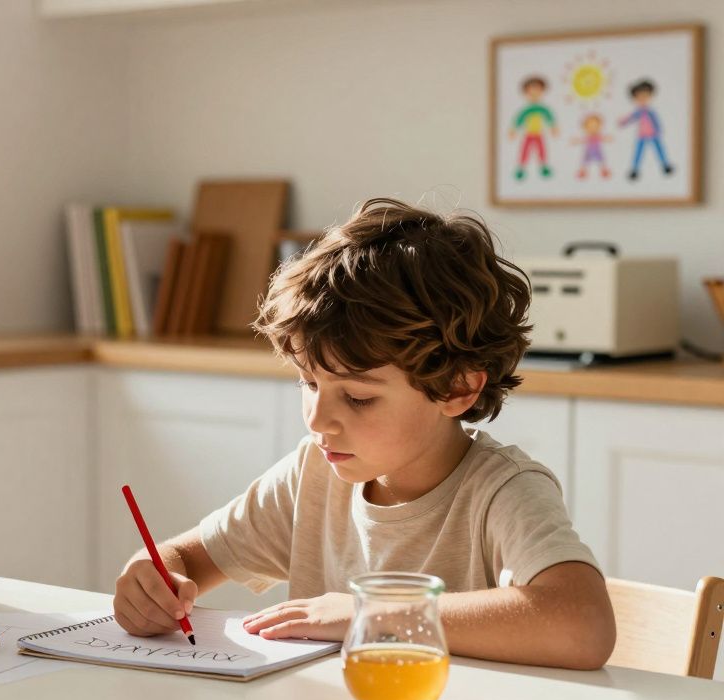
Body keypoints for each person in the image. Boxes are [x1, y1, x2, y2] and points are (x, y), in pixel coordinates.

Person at [111, 198, 616, 670]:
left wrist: (368, 612)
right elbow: (185, 559)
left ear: (458, 388)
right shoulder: (311, 475)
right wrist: (153, 580)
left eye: (357, 398)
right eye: (309, 383)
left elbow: (584, 626)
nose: (317, 421)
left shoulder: (503, 492)